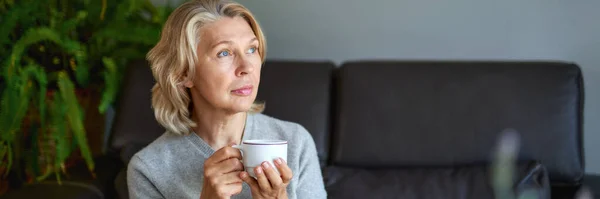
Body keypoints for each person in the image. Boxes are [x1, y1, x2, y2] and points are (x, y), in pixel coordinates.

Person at [126, 0, 327, 198]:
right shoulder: (148, 170)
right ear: (183, 73)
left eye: (252, 49)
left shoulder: (296, 142)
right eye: (224, 53)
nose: (247, 67)